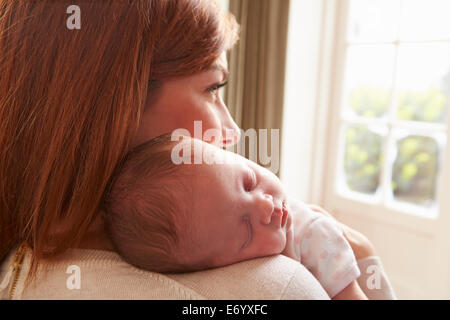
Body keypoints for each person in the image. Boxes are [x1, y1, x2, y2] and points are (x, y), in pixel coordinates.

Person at [0, 0, 394, 300]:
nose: (232, 131)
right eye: (212, 89)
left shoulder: (21, 260)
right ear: (117, 106)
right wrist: (367, 265)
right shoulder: (278, 287)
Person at [102, 134, 366, 299]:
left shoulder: (313, 236)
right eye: (247, 228)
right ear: (211, 267)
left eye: (249, 181)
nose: (266, 207)